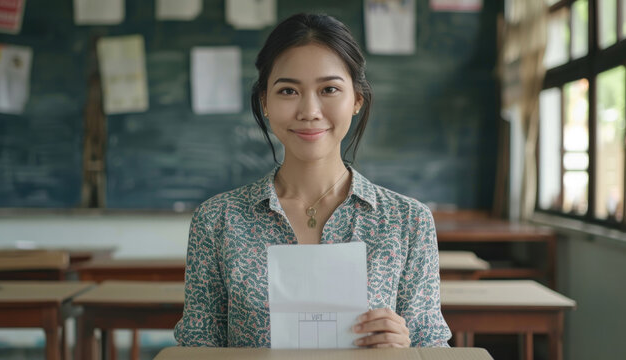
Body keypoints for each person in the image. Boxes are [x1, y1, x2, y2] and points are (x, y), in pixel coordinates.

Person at [174, 13, 451, 348]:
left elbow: (433, 350)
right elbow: (196, 350)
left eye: (329, 89)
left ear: (357, 100)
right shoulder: (218, 221)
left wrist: (405, 351)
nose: (309, 110)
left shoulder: (408, 222)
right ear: (265, 101)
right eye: (288, 90)